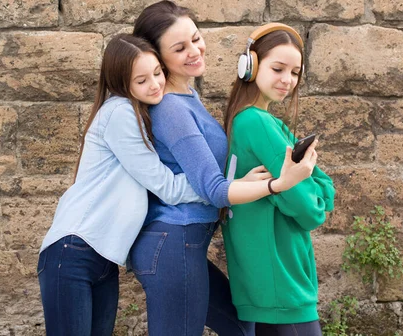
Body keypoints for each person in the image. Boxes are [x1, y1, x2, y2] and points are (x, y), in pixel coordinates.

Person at [37, 34, 268, 336]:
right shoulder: (120, 114)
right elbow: (167, 187)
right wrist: (220, 185)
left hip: (104, 258)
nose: (156, 85)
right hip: (73, 250)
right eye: (141, 80)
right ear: (121, 83)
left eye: (157, 73)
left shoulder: (142, 111)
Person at [128, 1, 318, 336]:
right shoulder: (172, 109)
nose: (194, 50)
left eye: (196, 39)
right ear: (157, 58)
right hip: (173, 241)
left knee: (243, 328)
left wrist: (239, 181)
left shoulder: (187, 96)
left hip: (184, 243)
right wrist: (278, 184)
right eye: (180, 47)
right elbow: (213, 189)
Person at [221, 23, 336, 336]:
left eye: (295, 72)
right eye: (278, 68)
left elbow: (320, 184)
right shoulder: (258, 123)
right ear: (250, 65)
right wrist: (315, 192)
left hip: (266, 279)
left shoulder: (249, 120)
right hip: (282, 281)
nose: (288, 80)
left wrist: (314, 186)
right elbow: (311, 210)